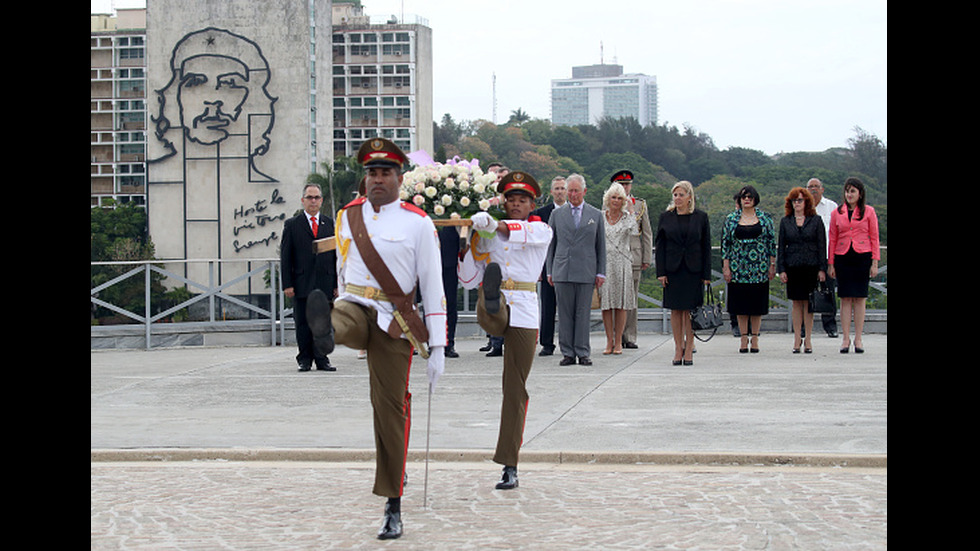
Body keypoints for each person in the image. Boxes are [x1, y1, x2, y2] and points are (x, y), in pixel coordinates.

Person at [307, 137, 446, 540]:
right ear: (364, 178)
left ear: (400, 179)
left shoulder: (417, 223)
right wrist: (335, 302)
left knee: (389, 410)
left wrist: (436, 346)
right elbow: (340, 270)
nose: (377, 179)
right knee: (341, 317)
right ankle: (327, 331)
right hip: (355, 305)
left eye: (385, 172)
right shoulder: (349, 216)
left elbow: (433, 285)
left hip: (394, 322)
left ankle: (392, 502)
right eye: (371, 173)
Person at [458, 171, 553, 491]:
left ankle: (510, 463)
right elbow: (468, 279)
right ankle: (492, 302)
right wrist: (470, 239)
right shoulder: (488, 232)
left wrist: (491, 225)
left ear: (531, 204)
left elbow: (518, 233)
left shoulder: (541, 229)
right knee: (489, 307)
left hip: (525, 309)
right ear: (502, 201)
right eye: (510, 199)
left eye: (521, 200)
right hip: (494, 304)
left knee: (515, 388)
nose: (515, 204)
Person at [546, 174, 606, 366]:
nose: (572, 194)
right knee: (564, 314)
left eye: (576, 191)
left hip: (586, 271)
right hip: (562, 270)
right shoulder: (557, 214)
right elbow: (550, 245)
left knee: (583, 314)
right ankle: (568, 353)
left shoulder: (595, 215)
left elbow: (601, 246)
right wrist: (549, 271)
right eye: (569, 190)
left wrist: (600, 272)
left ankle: (583, 351)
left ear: (584, 192)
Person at [280, 183, 338, 372]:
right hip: (301, 282)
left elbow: (337, 256)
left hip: (325, 282)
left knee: (322, 324)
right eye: (309, 197)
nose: (313, 201)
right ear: (303, 200)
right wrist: (287, 284)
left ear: (321, 201)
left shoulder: (330, 223)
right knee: (303, 323)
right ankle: (304, 359)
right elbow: (286, 257)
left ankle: (322, 359)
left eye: (316, 197)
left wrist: (337, 284)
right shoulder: (292, 224)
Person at [655, 181, 712, 366]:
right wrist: (661, 272)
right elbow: (661, 246)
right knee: (676, 310)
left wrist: (706, 274)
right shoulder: (666, 217)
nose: (677, 198)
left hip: (693, 269)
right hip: (672, 269)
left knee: (689, 311)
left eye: (681, 195)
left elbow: (706, 247)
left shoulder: (701, 217)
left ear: (689, 197)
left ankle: (689, 348)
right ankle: (678, 347)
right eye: (675, 195)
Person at [721, 185, 777, 354]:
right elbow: (726, 245)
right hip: (738, 268)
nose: (747, 200)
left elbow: (771, 244)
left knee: (756, 305)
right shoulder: (731, 219)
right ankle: (743, 338)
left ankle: (755, 338)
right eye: (744, 197)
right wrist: (726, 267)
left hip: (759, 268)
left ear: (755, 199)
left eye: (750, 197)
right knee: (741, 306)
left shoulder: (765, 218)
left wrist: (772, 265)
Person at [828, 177, 879, 354]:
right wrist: (831, 263)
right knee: (845, 299)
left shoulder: (869, 212)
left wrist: (875, 262)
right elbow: (833, 238)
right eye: (847, 191)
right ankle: (845, 338)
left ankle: (858, 338)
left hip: (862, 256)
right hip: (843, 257)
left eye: (853, 191)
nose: (849, 195)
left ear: (860, 193)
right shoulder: (837, 212)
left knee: (860, 298)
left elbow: (874, 237)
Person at [776, 187, 827, 354]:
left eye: (800, 200)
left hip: (811, 266)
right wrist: (781, 269)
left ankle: (809, 339)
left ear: (806, 202)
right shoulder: (785, 221)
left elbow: (821, 246)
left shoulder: (816, 220)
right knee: (796, 303)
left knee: (808, 304)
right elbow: (781, 247)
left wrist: (822, 268)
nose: (797, 203)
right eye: (794, 201)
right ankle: (797, 338)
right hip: (792, 267)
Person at [610, 170, 653, 349]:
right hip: (614, 256)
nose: (625, 187)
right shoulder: (609, 203)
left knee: (632, 300)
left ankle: (630, 336)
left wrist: (646, 257)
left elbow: (647, 233)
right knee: (614, 298)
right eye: (622, 184)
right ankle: (614, 336)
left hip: (634, 256)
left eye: (628, 184)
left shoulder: (640, 204)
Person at [598, 183, 636, 355]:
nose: (616, 201)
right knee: (606, 304)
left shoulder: (627, 217)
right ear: (608, 198)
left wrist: (631, 210)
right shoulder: (600, 216)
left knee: (621, 304)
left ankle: (619, 341)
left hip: (622, 263)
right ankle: (609, 341)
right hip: (605, 263)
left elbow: (635, 232)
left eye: (619, 198)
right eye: (613, 197)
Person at [531, 176, 567, 356]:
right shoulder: (541, 213)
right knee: (548, 305)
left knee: (568, 307)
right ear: (552, 191)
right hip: (548, 265)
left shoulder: (573, 211)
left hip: (569, 265)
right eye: (557, 188)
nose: (560, 192)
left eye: (562, 188)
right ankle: (547, 343)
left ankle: (569, 342)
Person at [481, 165, 509, 356]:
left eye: (503, 178)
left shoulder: (514, 203)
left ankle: (508, 340)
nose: (499, 180)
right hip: (493, 256)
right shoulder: (488, 203)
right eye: (497, 177)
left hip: (511, 258)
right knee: (493, 298)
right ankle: (495, 341)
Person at [806, 178, 839, 338]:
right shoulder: (802, 207)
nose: (813, 189)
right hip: (807, 258)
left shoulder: (832, 207)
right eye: (810, 187)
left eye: (816, 186)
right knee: (807, 292)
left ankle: (830, 326)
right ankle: (805, 327)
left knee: (828, 291)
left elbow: (836, 233)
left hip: (827, 257)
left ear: (822, 189)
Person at [438, 226, 461, 358]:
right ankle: (433, 343)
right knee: (432, 304)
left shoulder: (455, 209)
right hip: (430, 262)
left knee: (450, 304)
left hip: (449, 260)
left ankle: (449, 343)